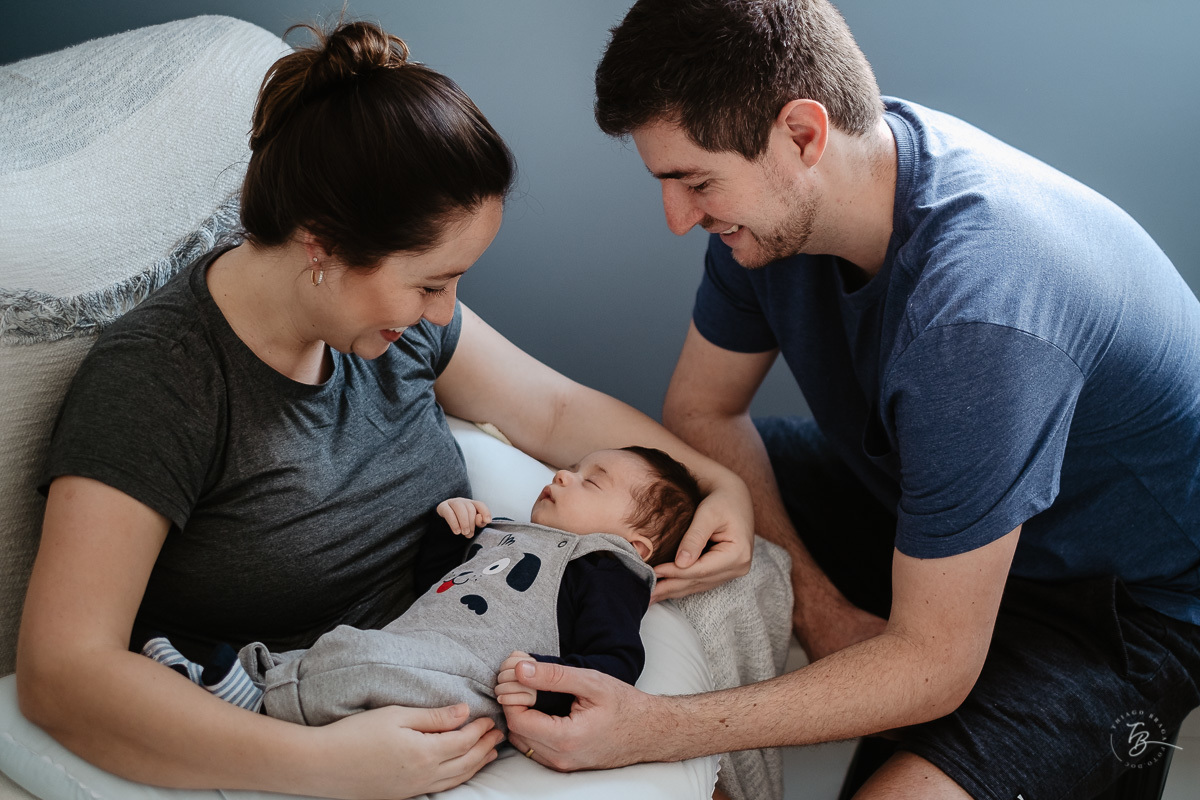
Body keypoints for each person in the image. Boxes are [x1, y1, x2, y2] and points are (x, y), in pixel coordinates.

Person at [14, 18, 754, 800]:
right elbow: (62, 672)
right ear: (322, 247)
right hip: (294, 711)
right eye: (431, 283)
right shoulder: (164, 382)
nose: (445, 316)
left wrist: (718, 484)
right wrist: (325, 765)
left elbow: (558, 408)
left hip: (457, 662)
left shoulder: (384, 330)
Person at [503, 1, 1200, 798]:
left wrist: (656, 729)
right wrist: (822, 611)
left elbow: (936, 665)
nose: (678, 218)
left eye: (696, 182)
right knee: (663, 497)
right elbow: (703, 414)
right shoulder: (788, 210)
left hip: (1116, 600)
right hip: (920, 494)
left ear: (803, 133)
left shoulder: (981, 311)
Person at [141, 446, 702, 731]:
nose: (562, 475)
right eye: (573, 465)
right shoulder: (506, 530)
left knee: (359, 661)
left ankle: (262, 708)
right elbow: (434, 586)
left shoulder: (604, 565)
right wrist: (451, 528)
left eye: (591, 480)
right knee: (341, 648)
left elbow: (615, 660)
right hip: (415, 646)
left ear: (635, 541)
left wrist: (539, 685)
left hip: (477, 677)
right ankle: (229, 677)